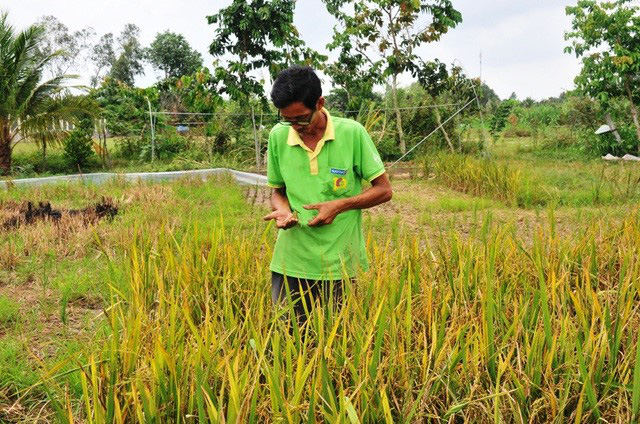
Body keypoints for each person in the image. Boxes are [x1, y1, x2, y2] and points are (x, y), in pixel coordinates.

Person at [263, 65, 392, 325]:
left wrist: (340, 205)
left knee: (340, 339)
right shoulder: (278, 136)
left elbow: (384, 190)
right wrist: (283, 210)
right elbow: (278, 191)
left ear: (320, 103)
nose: (295, 126)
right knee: (289, 339)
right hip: (291, 261)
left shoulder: (352, 133)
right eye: (287, 120)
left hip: (340, 263)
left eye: (300, 118)